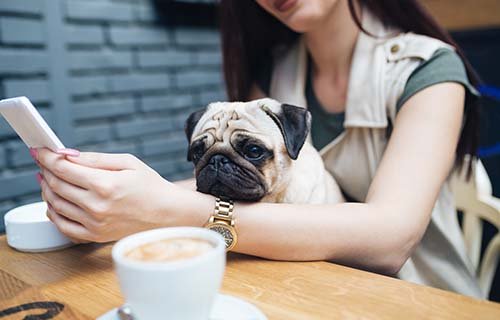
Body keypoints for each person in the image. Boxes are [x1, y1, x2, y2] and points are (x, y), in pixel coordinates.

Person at [33, 0, 484, 298]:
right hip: (301, 287)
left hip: (420, 297)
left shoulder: (427, 69)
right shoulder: (275, 74)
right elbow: (228, 177)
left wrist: (169, 209)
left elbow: (392, 237)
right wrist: (110, 195)